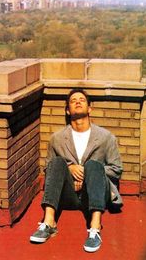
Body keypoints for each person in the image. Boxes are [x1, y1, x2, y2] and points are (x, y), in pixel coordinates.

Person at [30, 88, 123, 252]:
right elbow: (49, 168)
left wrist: (88, 173)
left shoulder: (106, 137)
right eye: (73, 101)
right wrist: (69, 169)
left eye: (82, 100)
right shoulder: (57, 138)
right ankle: (49, 223)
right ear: (68, 110)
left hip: (95, 194)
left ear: (89, 108)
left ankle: (95, 228)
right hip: (70, 195)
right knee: (58, 162)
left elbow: (116, 170)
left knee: (94, 165)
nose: (78, 102)